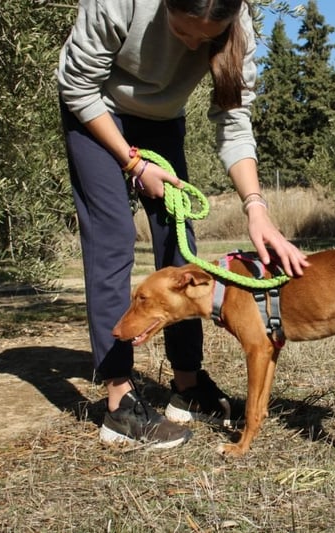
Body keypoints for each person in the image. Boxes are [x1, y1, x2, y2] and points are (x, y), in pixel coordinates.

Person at [57, 0, 309, 449]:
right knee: (113, 241)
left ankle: (187, 385)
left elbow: (233, 119)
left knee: (180, 246)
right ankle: (119, 403)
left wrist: (256, 206)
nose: (193, 46)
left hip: (162, 122)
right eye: (183, 31)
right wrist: (133, 163)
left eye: (206, 38)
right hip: (96, 113)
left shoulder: (237, 23)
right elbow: (77, 86)